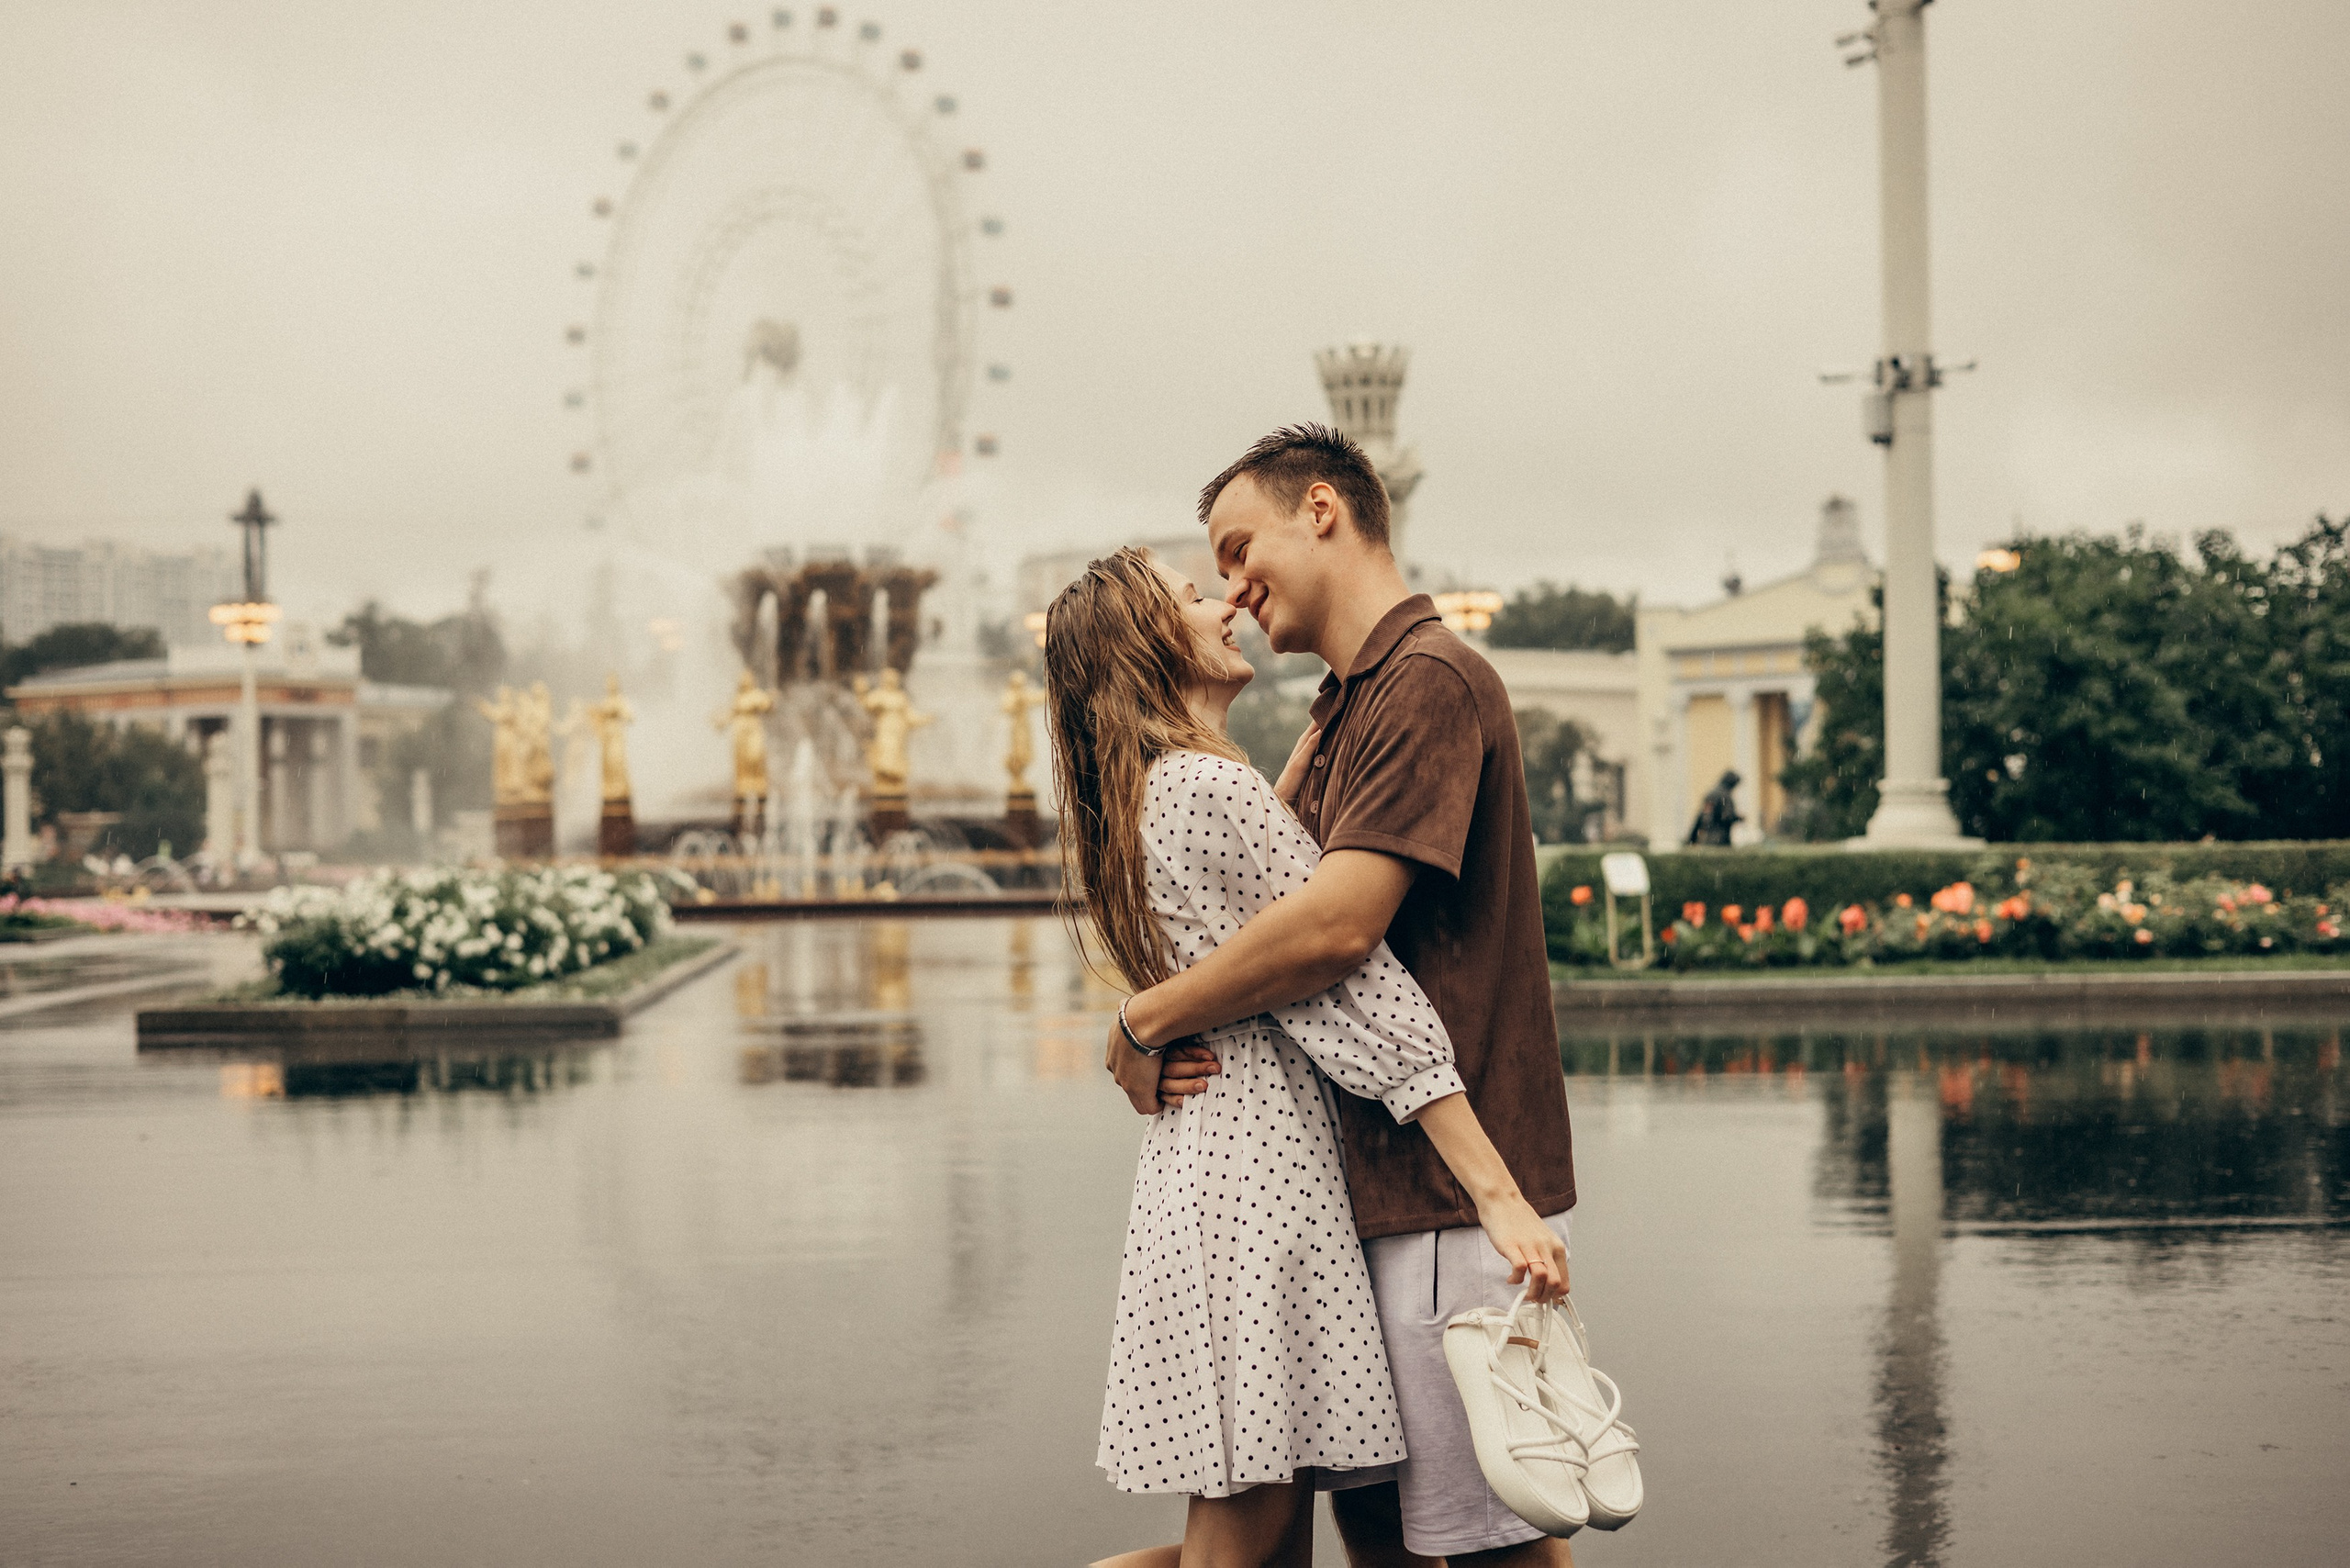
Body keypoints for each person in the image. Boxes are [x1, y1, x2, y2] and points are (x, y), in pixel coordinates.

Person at [1111, 424, 1582, 1566]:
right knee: (1399, 1537)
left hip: (1444, 1196)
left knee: (1490, 1545)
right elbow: (1267, 922)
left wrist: (1147, 1018)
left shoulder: (1422, 681)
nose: (1229, 587)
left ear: (1321, 508)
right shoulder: (1342, 709)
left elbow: (1332, 928)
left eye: (1237, 548)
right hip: (1373, 1186)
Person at [1686, 768, 1741, 846]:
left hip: (1707, 839)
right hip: (1722, 839)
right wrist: (1738, 818)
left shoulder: (1711, 794)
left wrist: (1691, 839)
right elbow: (1727, 816)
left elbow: (1701, 817)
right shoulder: (1725, 796)